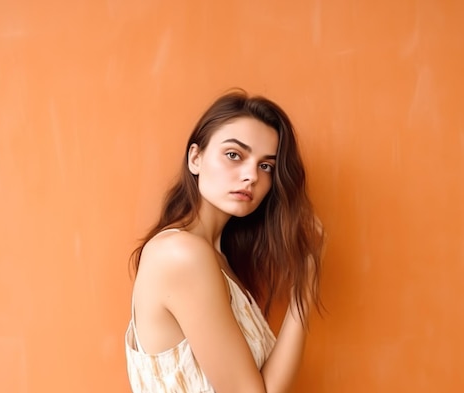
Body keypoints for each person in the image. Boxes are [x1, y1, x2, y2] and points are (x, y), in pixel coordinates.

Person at [125, 89, 324, 393]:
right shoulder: (181, 255)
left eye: (265, 165)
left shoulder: (217, 260)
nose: (251, 176)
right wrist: (307, 281)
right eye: (234, 155)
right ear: (196, 158)